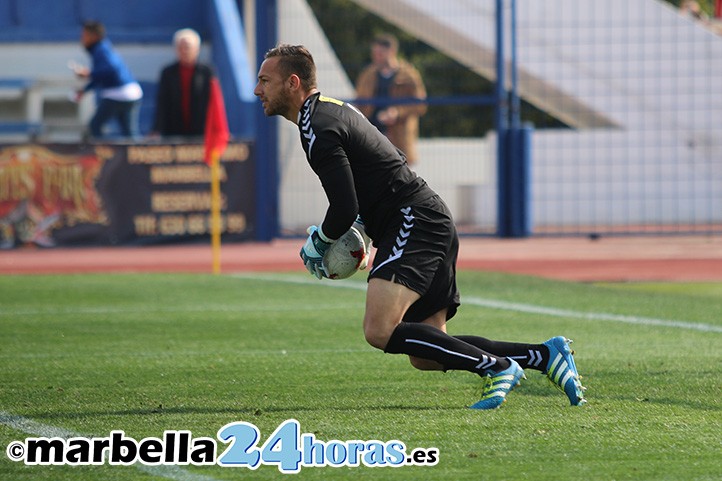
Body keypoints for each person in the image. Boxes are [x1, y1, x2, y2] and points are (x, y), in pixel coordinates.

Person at [254, 44, 586, 409]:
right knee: (427, 353)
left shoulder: (317, 125)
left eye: (265, 80)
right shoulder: (331, 111)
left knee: (379, 330)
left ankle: (496, 367)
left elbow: (345, 204)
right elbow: (384, 165)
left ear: (293, 83)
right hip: (424, 216)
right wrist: (363, 232)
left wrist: (319, 242)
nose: (258, 90)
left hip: (414, 219)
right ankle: (543, 355)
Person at [355, 34, 427, 166]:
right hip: (371, 135)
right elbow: (359, 102)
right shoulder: (367, 75)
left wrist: (397, 112)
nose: (376, 57)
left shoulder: (409, 75)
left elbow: (420, 105)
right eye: (374, 53)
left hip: (398, 137)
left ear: (392, 51)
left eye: (380, 53)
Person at [72, 20, 143, 139]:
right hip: (131, 93)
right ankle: (137, 156)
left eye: (84, 35)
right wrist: (85, 89)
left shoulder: (100, 49)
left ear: (94, 36)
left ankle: (103, 154)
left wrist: (88, 73)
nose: (82, 39)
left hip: (117, 94)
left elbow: (111, 69)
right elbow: (101, 77)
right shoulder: (102, 48)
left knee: (94, 126)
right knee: (130, 134)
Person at [151, 28, 215, 138]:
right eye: (180, 48)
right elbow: (162, 102)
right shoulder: (167, 72)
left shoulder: (206, 72)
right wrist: (156, 129)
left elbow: (214, 102)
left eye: (187, 48)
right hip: (173, 131)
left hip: (200, 131)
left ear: (197, 49)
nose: (184, 51)